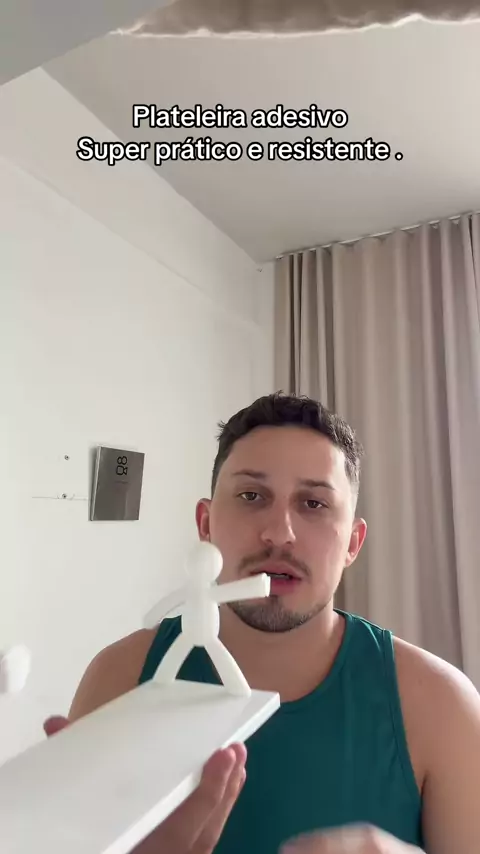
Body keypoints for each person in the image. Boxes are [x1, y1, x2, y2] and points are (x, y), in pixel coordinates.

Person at [45, 393, 480, 854]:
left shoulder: (439, 706)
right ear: (206, 524)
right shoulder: (118, 679)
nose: (279, 534)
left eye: (313, 503)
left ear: (353, 543)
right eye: (251, 496)